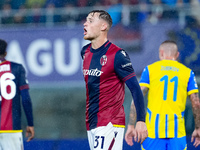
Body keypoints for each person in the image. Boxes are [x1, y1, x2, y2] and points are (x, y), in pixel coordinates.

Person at [80, 10, 148, 150]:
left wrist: (140, 121)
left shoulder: (118, 55)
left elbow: (136, 89)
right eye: (86, 20)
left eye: (91, 20)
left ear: (103, 26)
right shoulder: (85, 52)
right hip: (91, 122)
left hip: (110, 123)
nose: (85, 23)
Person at [125, 40, 200, 149]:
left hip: (152, 133)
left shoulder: (150, 70)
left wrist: (131, 125)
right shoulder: (188, 73)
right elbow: (196, 103)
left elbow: (138, 97)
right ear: (177, 55)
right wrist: (197, 128)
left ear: (161, 52)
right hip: (177, 133)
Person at [0, 39, 34, 149]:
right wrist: (30, 123)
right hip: (11, 128)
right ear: (5, 53)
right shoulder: (16, 68)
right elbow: (25, 99)